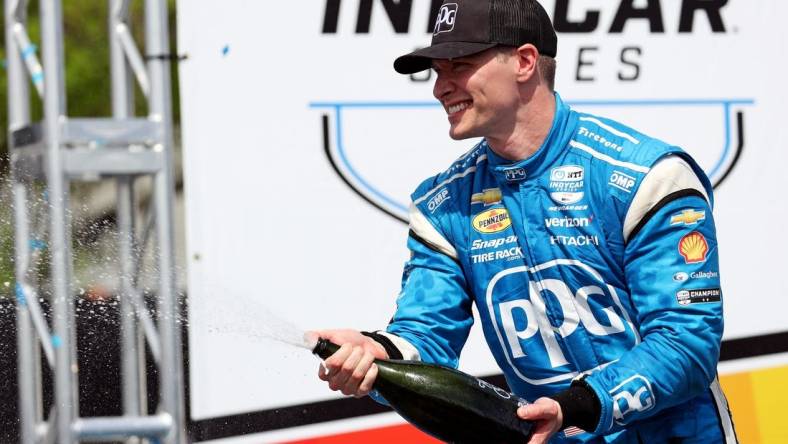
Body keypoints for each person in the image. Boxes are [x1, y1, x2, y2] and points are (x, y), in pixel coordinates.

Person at [313, 0, 737, 442]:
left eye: (459, 64)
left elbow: (686, 343)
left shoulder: (644, 176)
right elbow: (426, 337)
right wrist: (377, 354)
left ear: (525, 61)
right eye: (437, 71)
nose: (441, 87)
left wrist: (578, 405)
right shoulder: (443, 205)